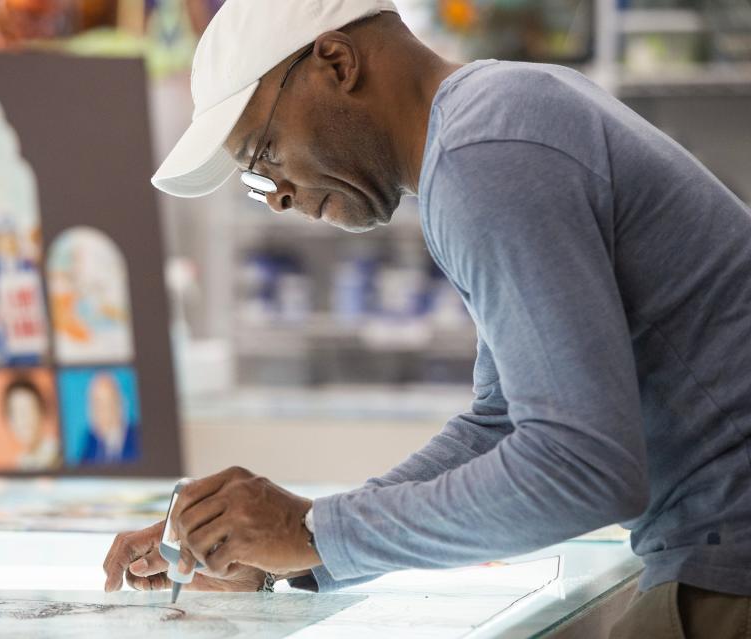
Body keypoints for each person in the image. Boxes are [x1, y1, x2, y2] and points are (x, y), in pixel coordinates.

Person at [102, 1, 751, 636]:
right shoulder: (491, 120)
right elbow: (501, 425)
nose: (279, 196)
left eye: (265, 151)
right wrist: (295, 550)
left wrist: (308, 530)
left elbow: (581, 467)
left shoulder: (484, 152)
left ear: (336, 61)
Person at [2, 376, 58, 471]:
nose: (24, 419)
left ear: (41, 411)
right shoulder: (21, 463)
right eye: (17, 412)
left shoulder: (58, 455)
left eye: (28, 409)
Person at [79, 373, 138, 465]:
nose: (100, 411)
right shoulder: (90, 441)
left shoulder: (137, 438)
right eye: (96, 403)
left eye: (107, 402)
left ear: (119, 404)